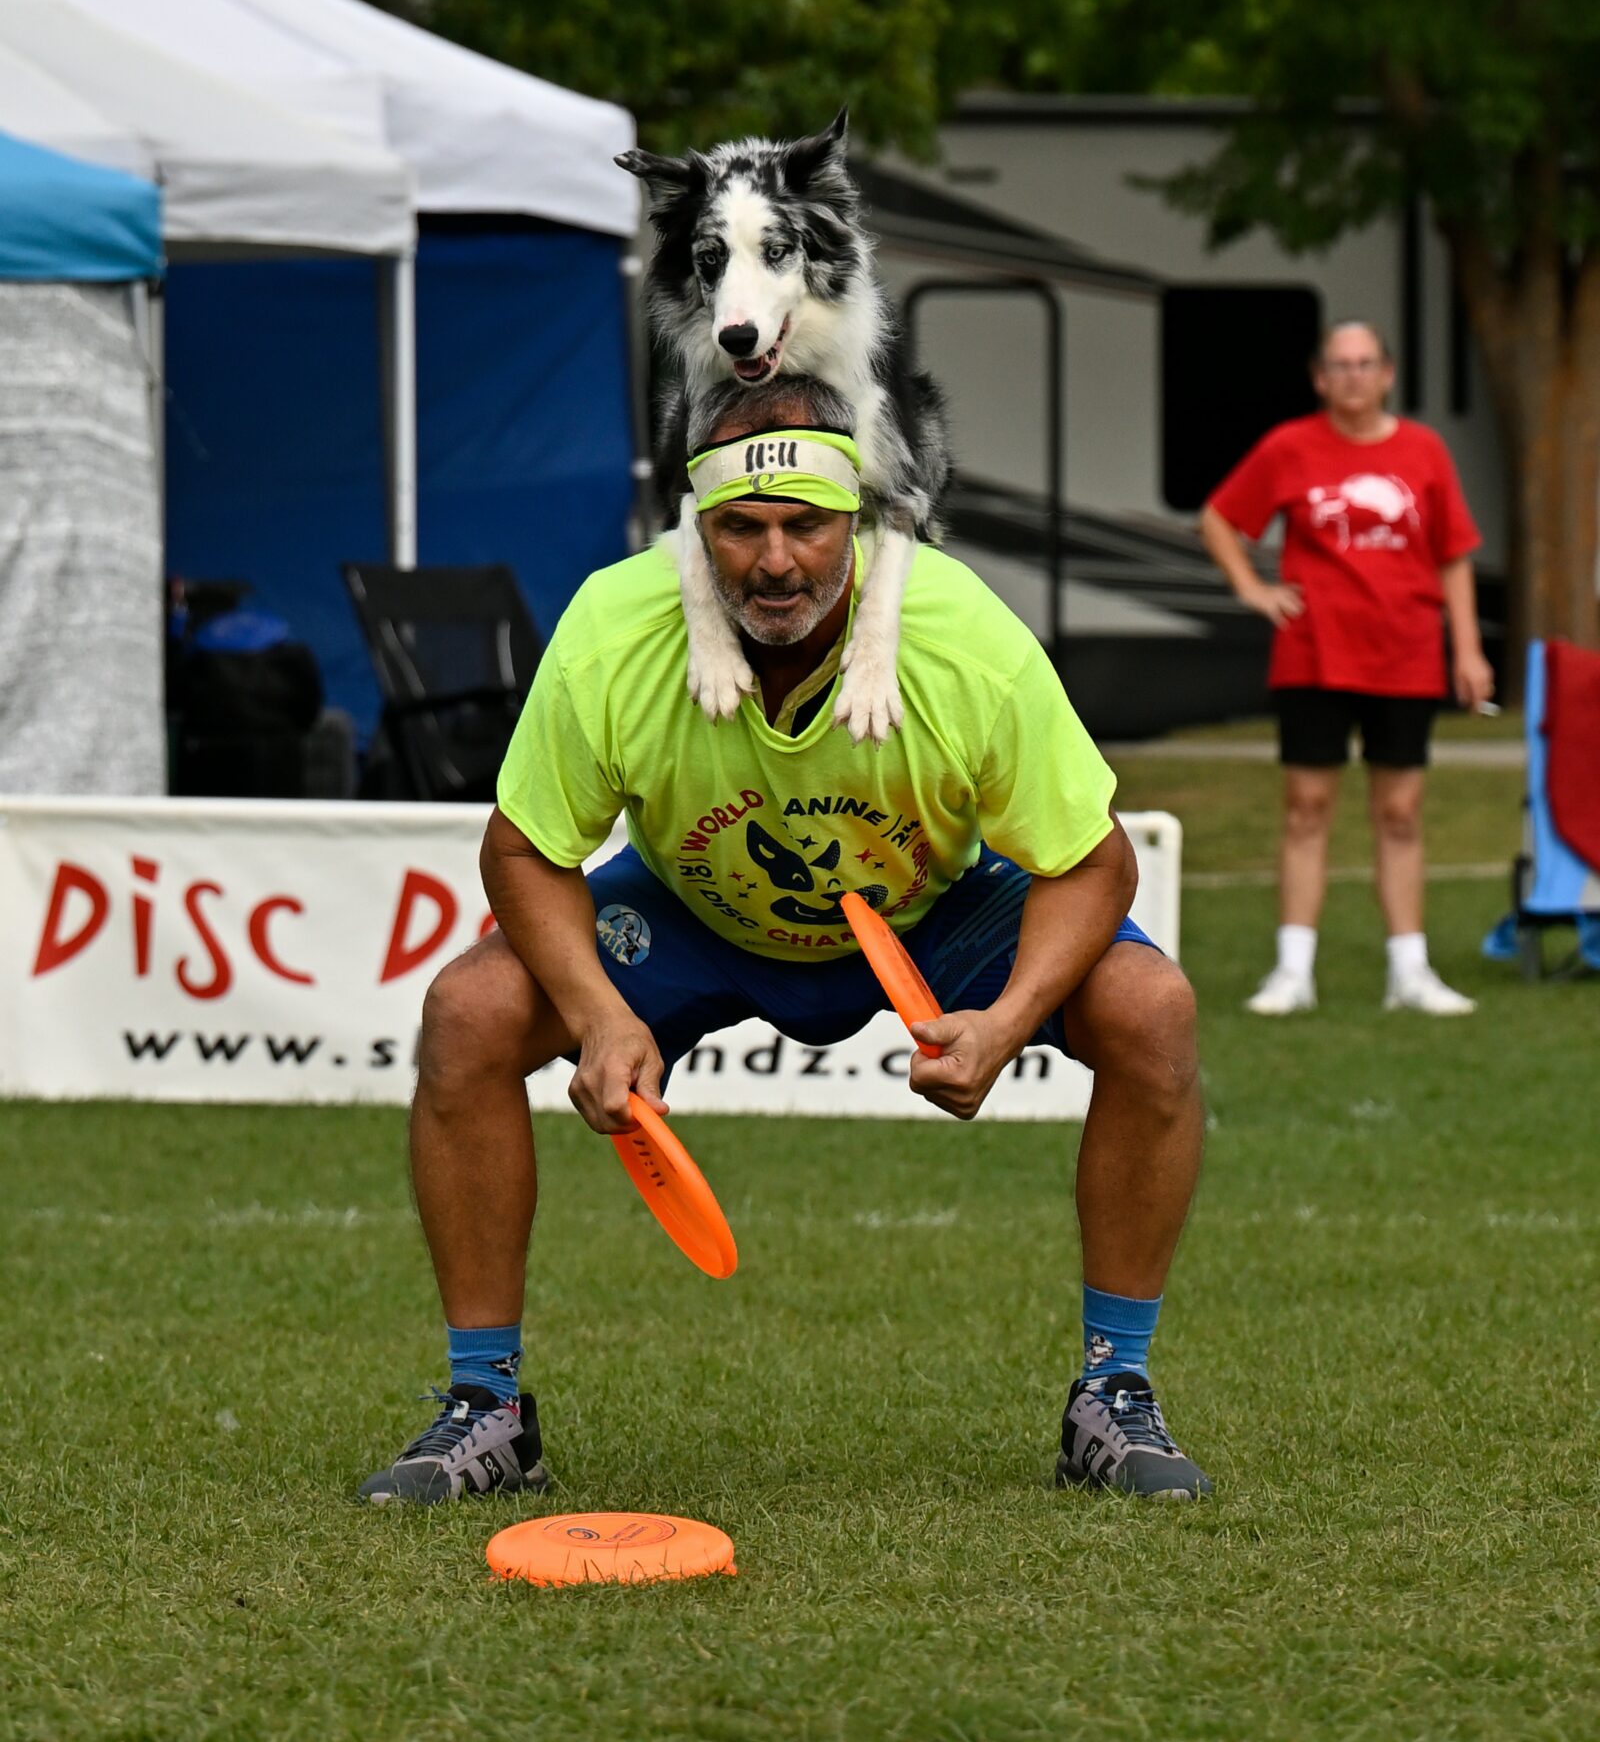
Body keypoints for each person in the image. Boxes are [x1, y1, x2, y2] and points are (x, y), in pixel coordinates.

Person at [359, 374, 1211, 1507]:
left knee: (1153, 1009)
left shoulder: (960, 637)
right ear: (697, 525)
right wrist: (602, 1016)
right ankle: (486, 1408)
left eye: (805, 525)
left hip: (934, 908)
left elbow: (1093, 861)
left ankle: (1114, 1392)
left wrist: (1007, 1022)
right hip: (692, 911)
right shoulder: (616, 625)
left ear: (857, 519)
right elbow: (523, 849)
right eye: (741, 527)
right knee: (467, 1012)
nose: (774, 561)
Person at [1200, 320, 1493, 1017]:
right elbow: (1218, 518)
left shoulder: (1424, 450)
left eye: (1365, 363)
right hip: (1314, 654)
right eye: (1340, 364)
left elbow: (1454, 555)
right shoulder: (1289, 446)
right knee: (1306, 810)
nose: (1353, 376)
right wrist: (1253, 589)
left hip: (1406, 653)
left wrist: (1468, 649)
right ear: (1320, 378)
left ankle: (1410, 972)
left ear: (1387, 374)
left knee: (1401, 812)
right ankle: (1292, 972)